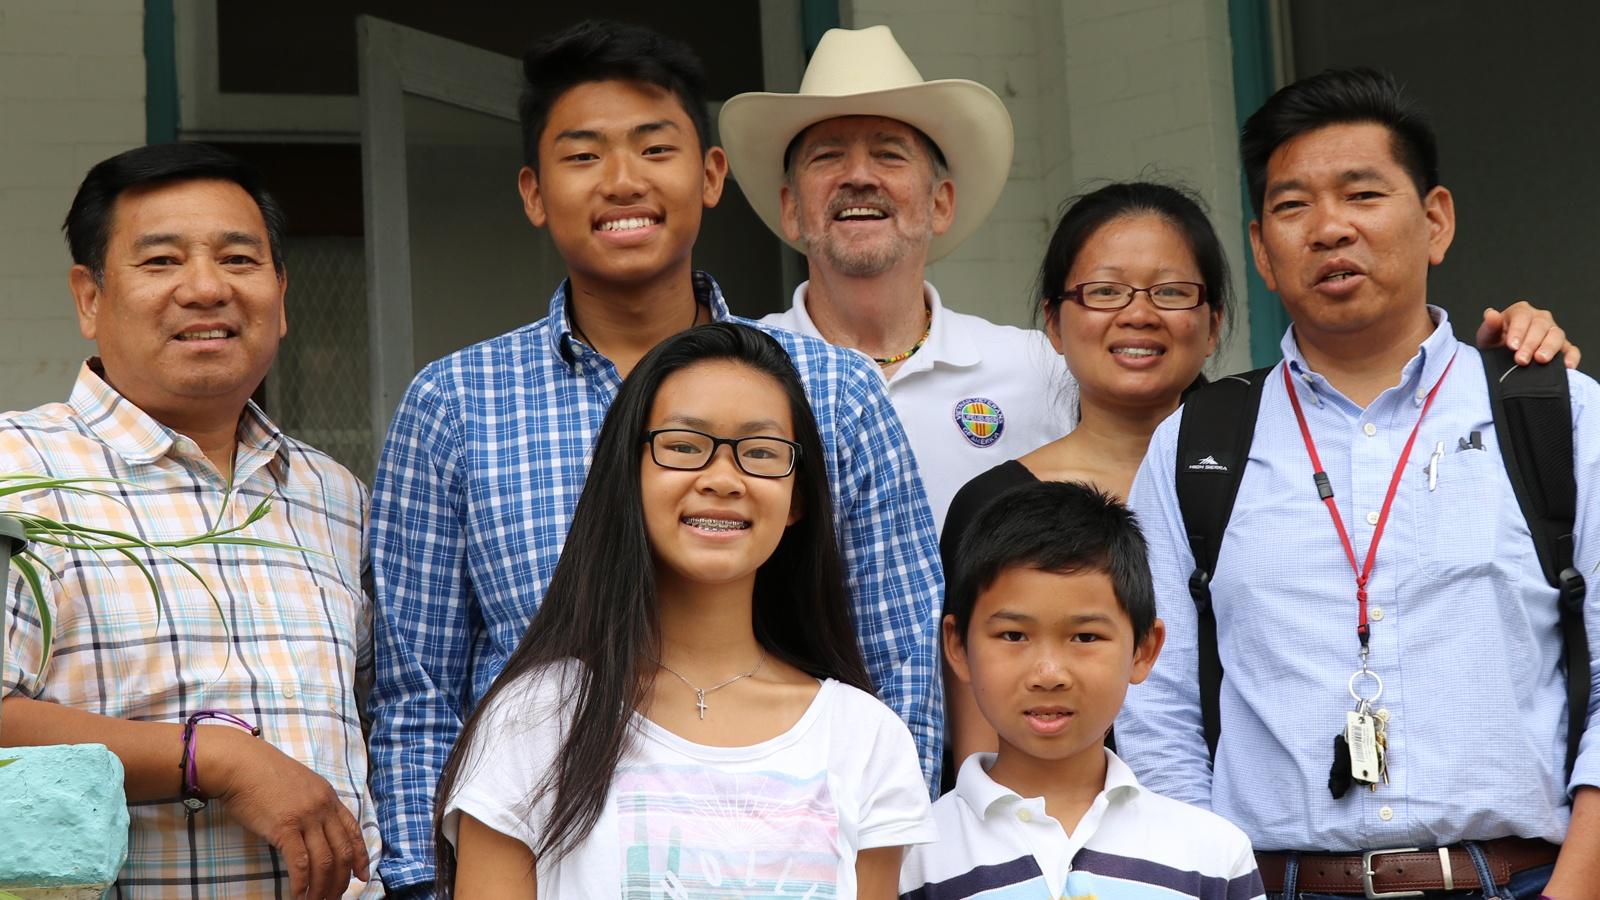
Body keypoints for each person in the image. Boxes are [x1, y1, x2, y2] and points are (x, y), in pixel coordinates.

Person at [367, 21, 945, 897]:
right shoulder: (454, 403)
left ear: (710, 176)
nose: (623, 181)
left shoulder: (832, 392)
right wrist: (420, 882)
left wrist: (888, 850)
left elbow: (899, 652)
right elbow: (417, 687)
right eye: (583, 154)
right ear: (533, 191)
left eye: (654, 147)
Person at [1116, 68, 1600, 898]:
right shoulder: (1199, 441)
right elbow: (1153, 706)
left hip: (1518, 880)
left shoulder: (1557, 413)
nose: (1330, 227)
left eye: (1362, 193)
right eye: (1293, 205)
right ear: (1263, 251)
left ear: (1435, 220)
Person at [940, 181, 1581, 778]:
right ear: (1053, 321)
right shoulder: (999, 506)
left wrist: (1516, 368)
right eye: (1105, 291)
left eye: (1172, 292)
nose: (1138, 315)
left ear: (1216, 321)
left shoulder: (1294, 460)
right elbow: (983, 752)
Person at [435, 322, 935, 898]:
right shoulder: (535, 718)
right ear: (629, 474)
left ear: (797, 498)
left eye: (761, 452)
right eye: (683, 446)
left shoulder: (865, 737)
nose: (723, 479)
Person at [0, 143, 379, 898]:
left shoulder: (331, 493)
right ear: (89, 297)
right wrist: (213, 759)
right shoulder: (15, 472)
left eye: (239, 260)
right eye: (161, 261)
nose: (206, 289)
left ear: (281, 294)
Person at [720, 26, 1071, 530]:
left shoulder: (1038, 370)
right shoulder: (737, 369)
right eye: (827, 156)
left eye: (889, 153)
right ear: (791, 209)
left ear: (940, 203)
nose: (859, 176)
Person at [902, 480, 1264, 899]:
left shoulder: (1213, 854)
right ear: (958, 646)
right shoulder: (914, 857)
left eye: (1085, 637)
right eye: (1014, 635)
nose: (1050, 673)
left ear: (1144, 650)